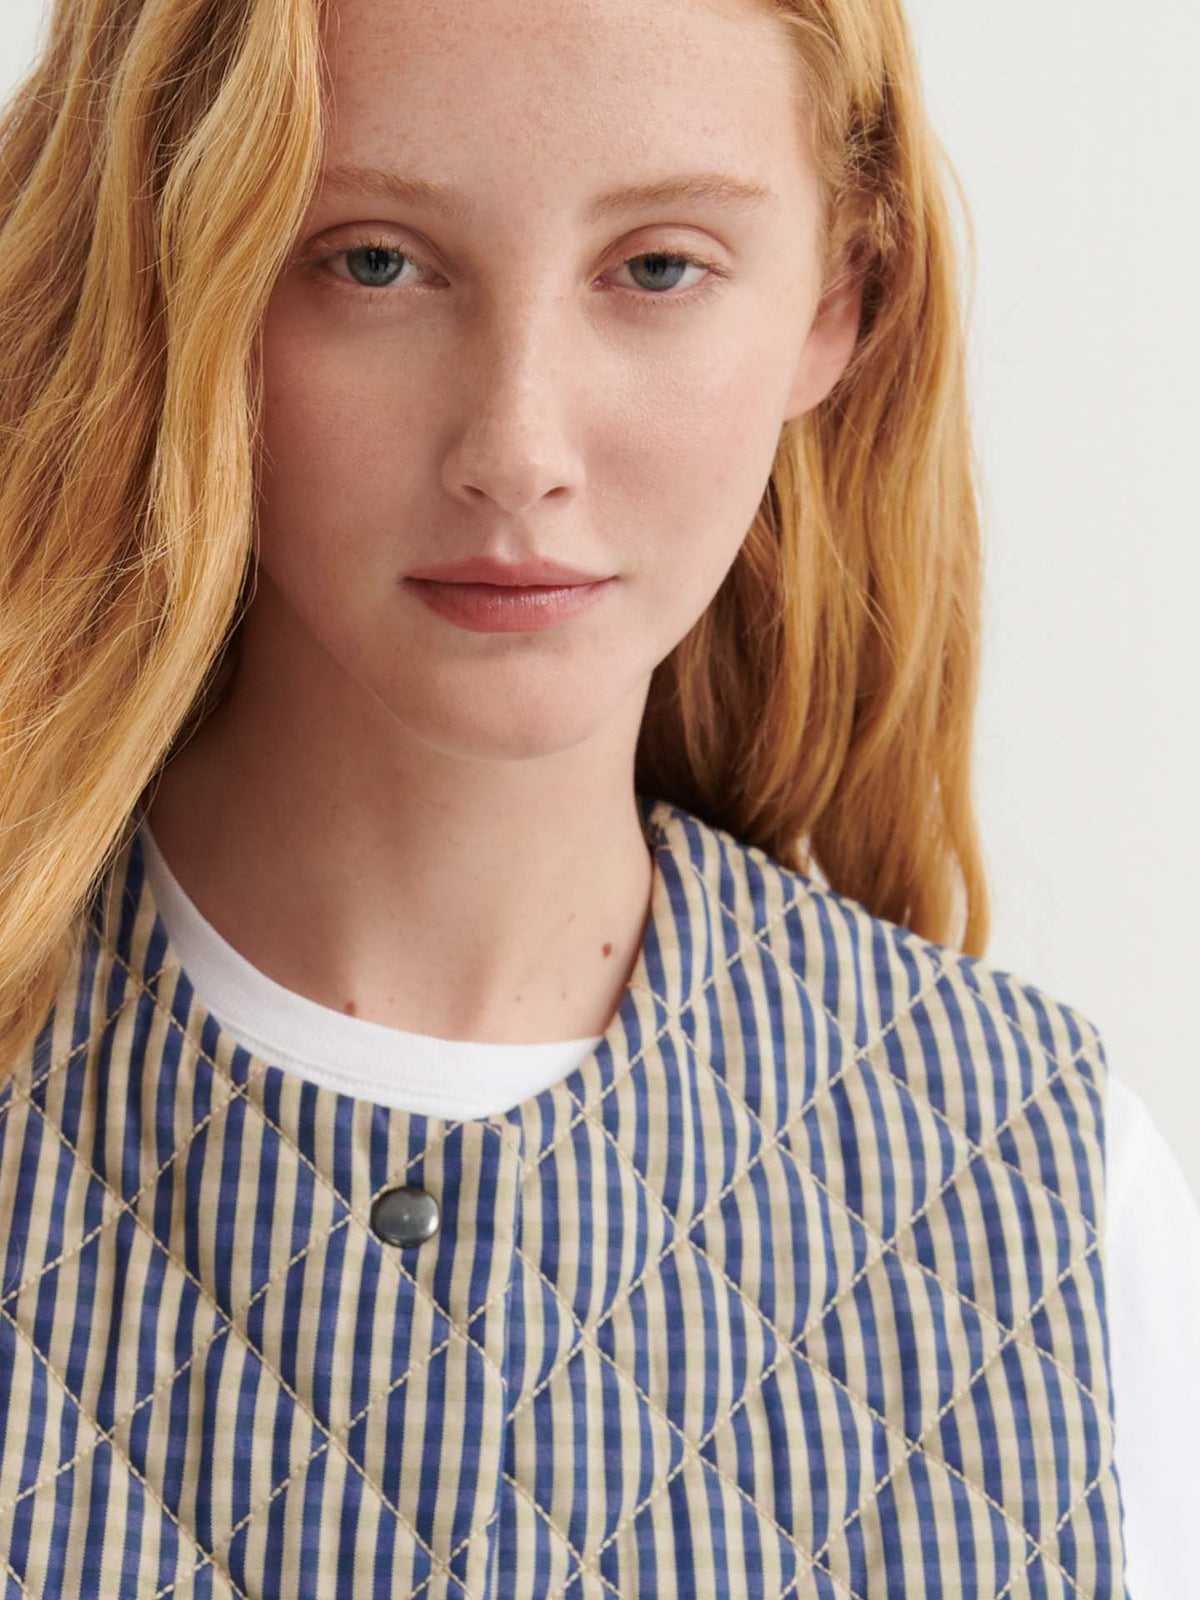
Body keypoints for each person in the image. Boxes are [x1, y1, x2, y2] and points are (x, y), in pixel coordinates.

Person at [0, 0, 1195, 1592]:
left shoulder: (1055, 1202)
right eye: (371, 260)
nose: (517, 448)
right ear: (175, 256)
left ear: (841, 300)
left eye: (656, 268)